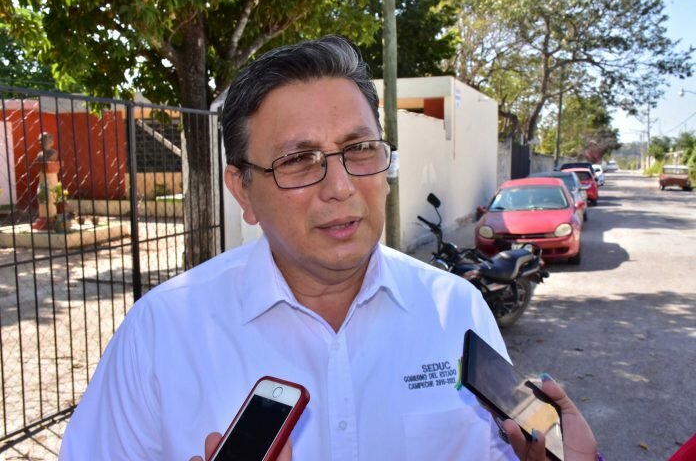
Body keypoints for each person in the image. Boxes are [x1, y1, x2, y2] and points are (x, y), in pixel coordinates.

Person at [60, 35, 598, 460]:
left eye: (359, 149)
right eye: (298, 160)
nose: (340, 186)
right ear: (242, 190)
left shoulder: (456, 309)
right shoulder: (162, 334)